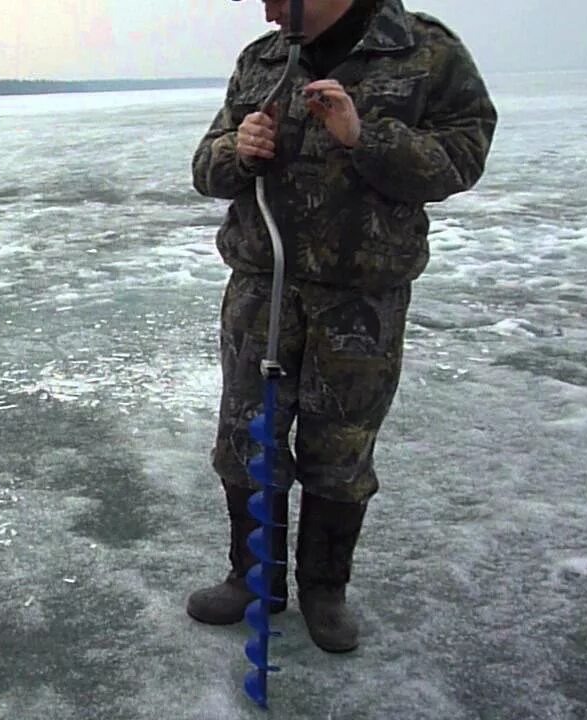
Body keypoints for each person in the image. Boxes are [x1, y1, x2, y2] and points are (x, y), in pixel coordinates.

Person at [186, 0, 498, 653]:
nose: (267, 9)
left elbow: (463, 157)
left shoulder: (424, 53)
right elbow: (205, 169)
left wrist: (367, 137)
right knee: (247, 440)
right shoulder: (263, 61)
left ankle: (324, 592)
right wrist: (236, 151)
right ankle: (254, 579)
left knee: (341, 452)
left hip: (361, 301)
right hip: (261, 292)